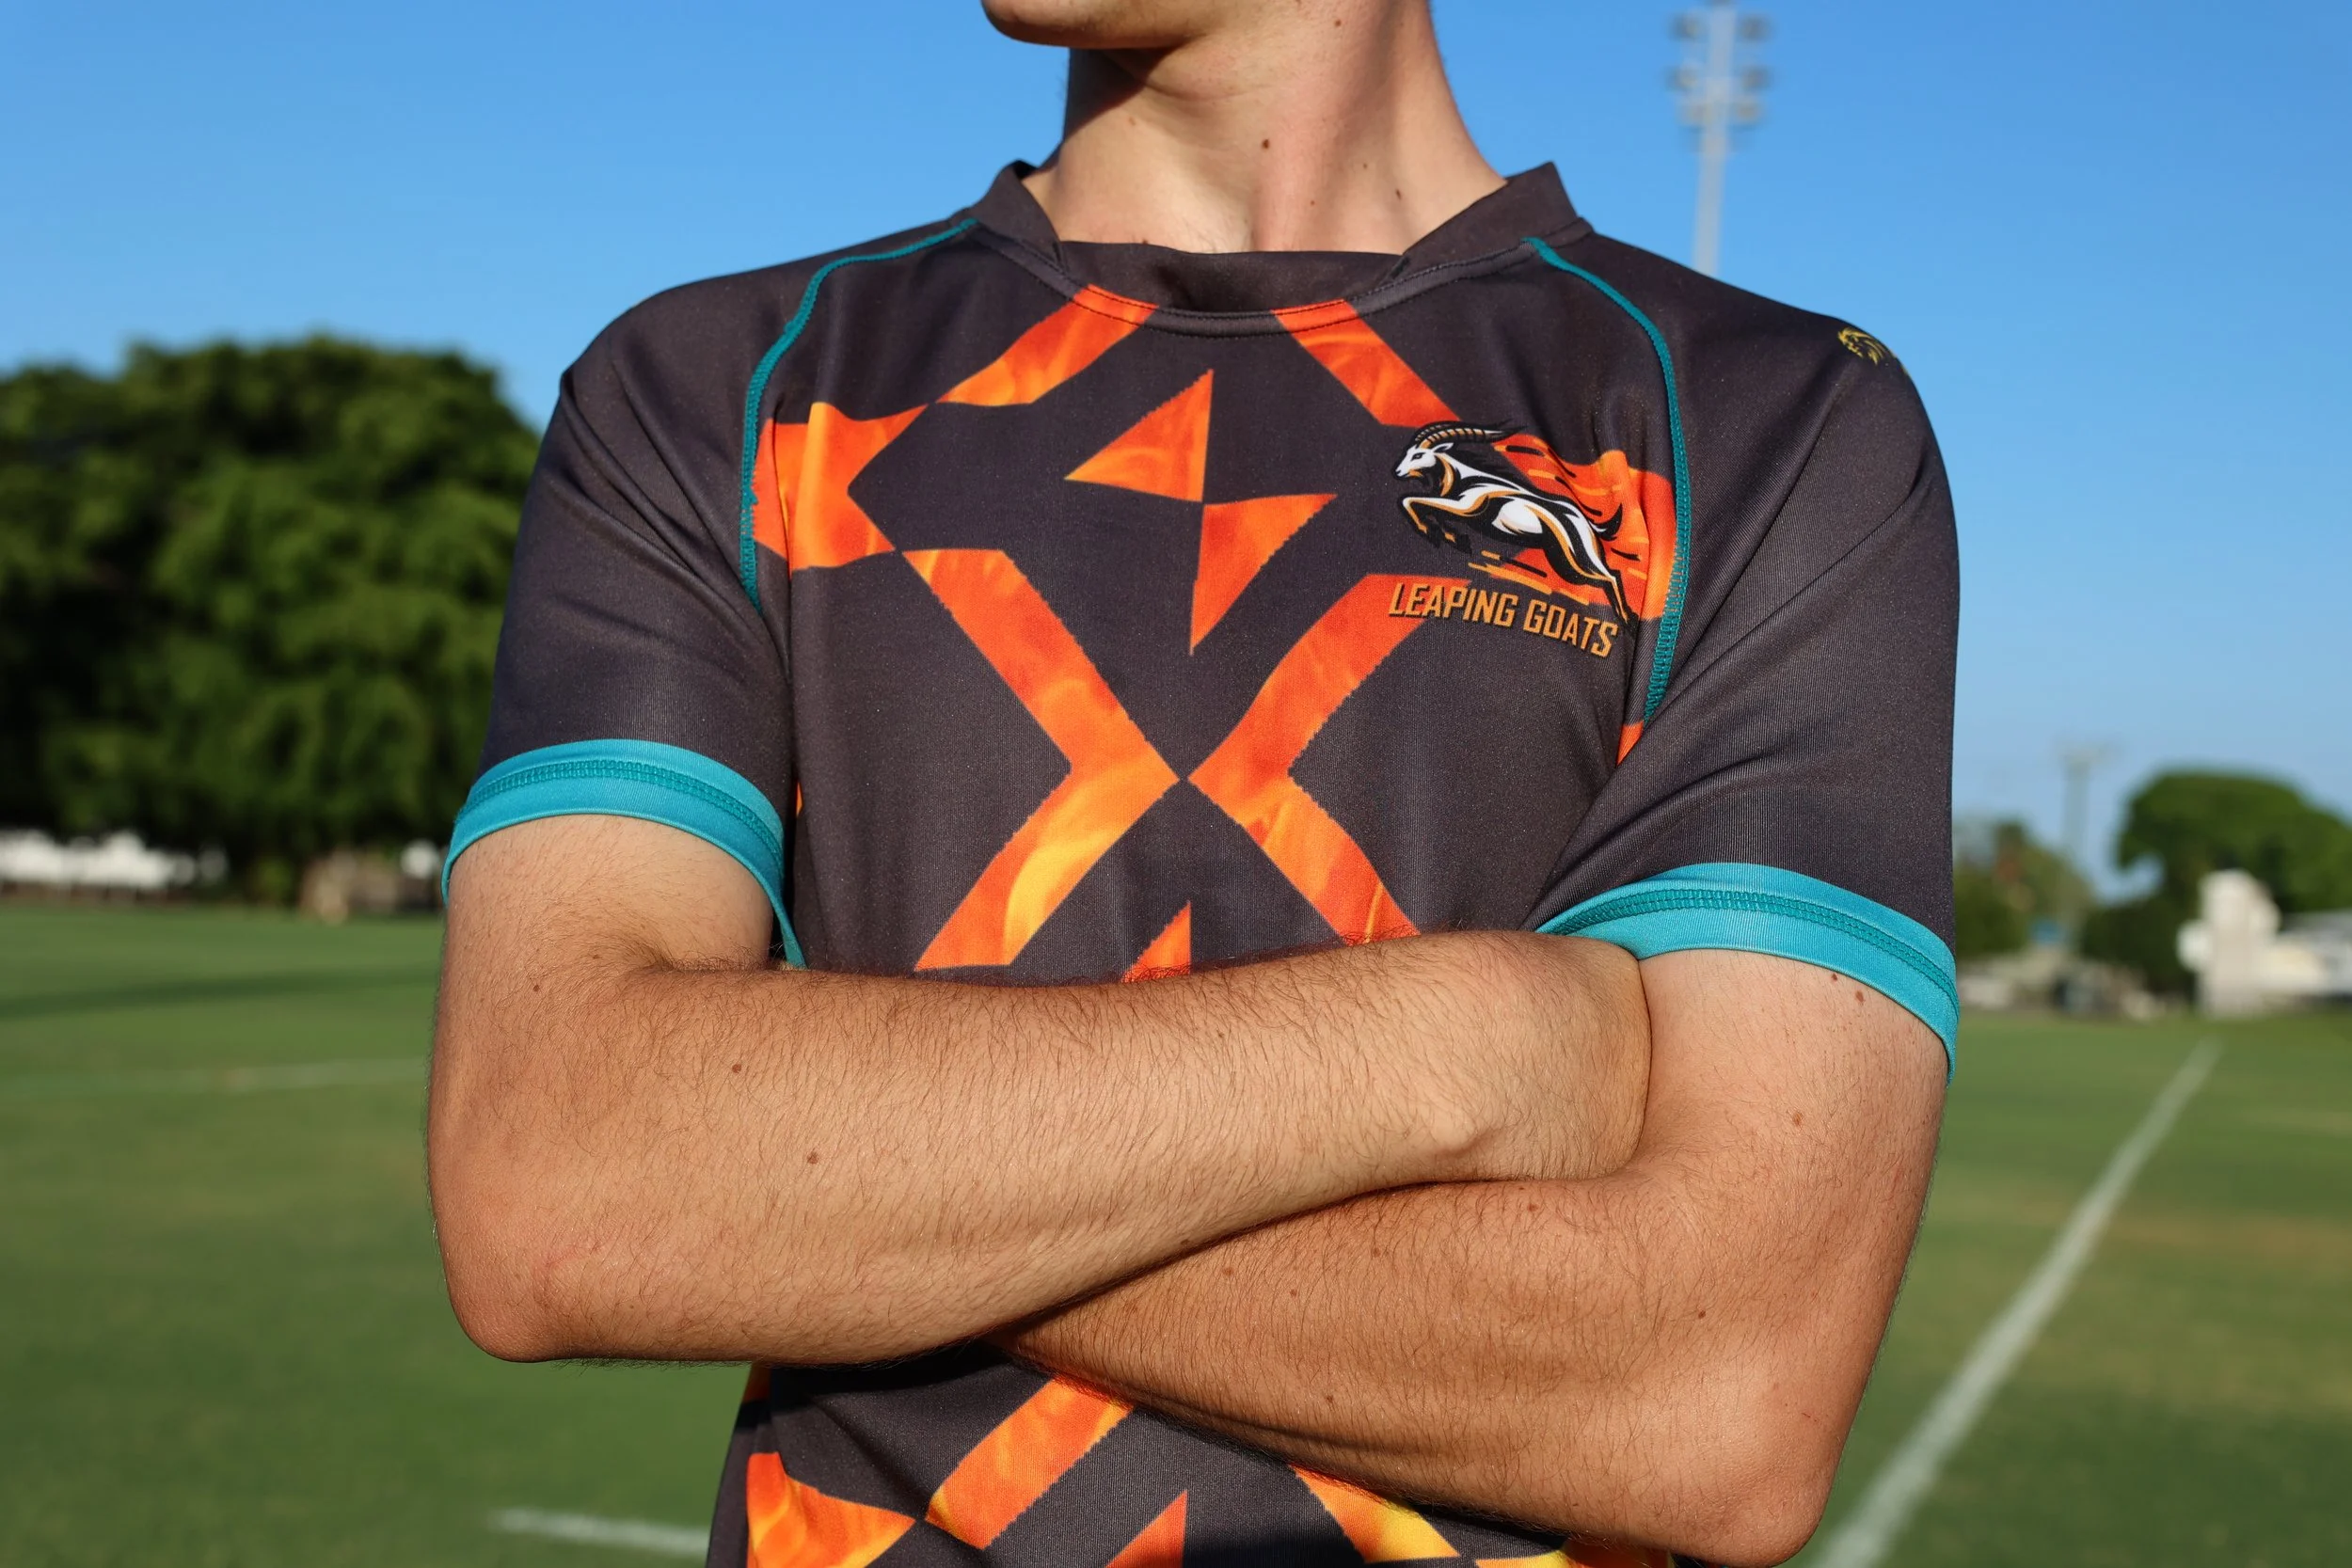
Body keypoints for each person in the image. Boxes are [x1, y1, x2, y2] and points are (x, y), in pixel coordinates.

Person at [426, 3, 1957, 1565]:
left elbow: (1717, 1392)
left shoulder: (1767, 423)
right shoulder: (718, 391)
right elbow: (554, 1180)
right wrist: (1465, 1047)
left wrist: (821, 1199)